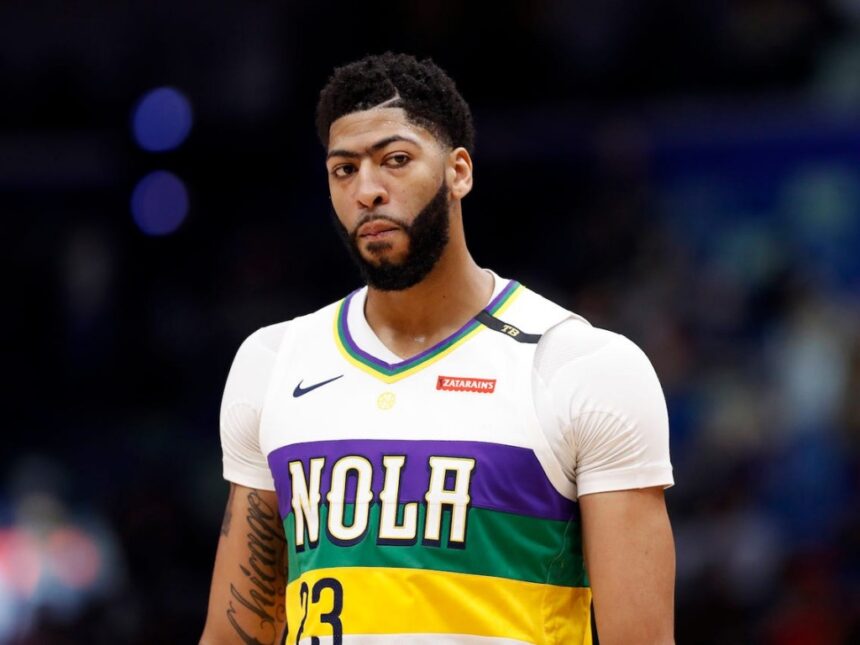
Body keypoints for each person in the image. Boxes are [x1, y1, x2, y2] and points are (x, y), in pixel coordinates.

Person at [200, 52, 675, 645]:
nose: (368, 190)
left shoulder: (582, 367)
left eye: (395, 160)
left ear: (459, 171)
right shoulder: (272, 363)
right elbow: (234, 634)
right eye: (343, 170)